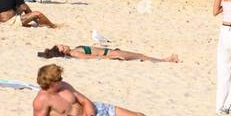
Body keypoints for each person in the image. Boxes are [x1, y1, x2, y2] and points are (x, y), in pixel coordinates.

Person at [31, 65, 201, 116]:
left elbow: (86, 102)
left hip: (97, 111)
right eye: (58, 78)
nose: (62, 79)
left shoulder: (65, 86)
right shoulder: (41, 100)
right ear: (50, 83)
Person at [39, 45, 178, 63]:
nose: (64, 45)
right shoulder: (76, 54)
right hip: (110, 53)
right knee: (140, 55)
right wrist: (111, 56)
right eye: (61, 46)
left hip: (110, 51)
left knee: (139, 56)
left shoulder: (74, 51)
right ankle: (165, 60)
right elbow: (93, 57)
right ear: (62, 51)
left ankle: (164, 60)